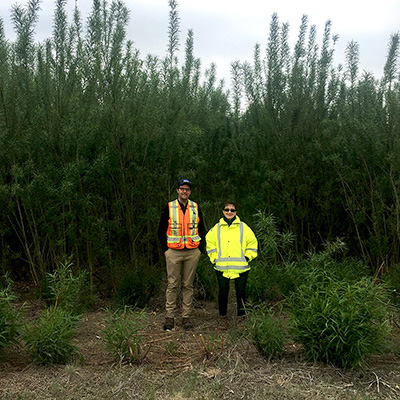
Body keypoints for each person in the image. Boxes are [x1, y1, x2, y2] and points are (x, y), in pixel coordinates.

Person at [158, 179, 205, 331]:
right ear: (177, 190)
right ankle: (169, 317)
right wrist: (165, 250)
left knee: (188, 285)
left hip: (192, 252)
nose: (185, 191)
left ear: (190, 192)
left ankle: (186, 317)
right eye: (182, 189)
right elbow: (161, 230)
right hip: (173, 252)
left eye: (187, 189)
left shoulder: (195, 207)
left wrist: (200, 249)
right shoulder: (169, 207)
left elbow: (202, 228)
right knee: (172, 284)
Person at [206, 201, 258, 325]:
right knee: (223, 292)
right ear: (223, 211)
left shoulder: (243, 227)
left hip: (241, 267)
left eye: (232, 210)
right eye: (227, 209)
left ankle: (241, 318)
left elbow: (252, 242)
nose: (229, 212)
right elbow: (210, 243)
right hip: (222, 267)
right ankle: (222, 318)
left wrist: (247, 257)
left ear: (236, 212)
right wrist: (214, 258)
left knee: (241, 293)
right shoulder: (216, 228)